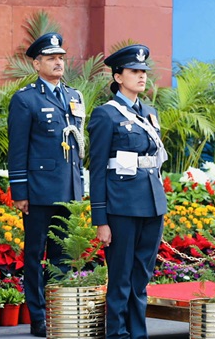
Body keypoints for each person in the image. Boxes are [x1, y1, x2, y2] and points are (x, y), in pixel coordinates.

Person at [7, 32, 85, 337]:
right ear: (37, 63)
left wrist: (79, 187)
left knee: (62, 255)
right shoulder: (26, 99)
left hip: (67, 189)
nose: (58, 63)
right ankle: (38, 315)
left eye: (61, 58)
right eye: (51, 58)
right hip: (38, 191)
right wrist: (20, 191)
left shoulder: (74, 96)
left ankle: (59, 311)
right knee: (35, 253)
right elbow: (18, 149)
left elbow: (77, 146)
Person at [88, 45, 168, 338]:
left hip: (151, 204)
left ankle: (138, 333)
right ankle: (118, 334)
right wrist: (101, 219)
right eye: (134, 71)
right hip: (121, 207)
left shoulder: (149, 113)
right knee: (120, 278)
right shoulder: (105, 115)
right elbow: (97, 170)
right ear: (118, 76)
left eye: (143, 72)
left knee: (141, 277)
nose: (141, 76)